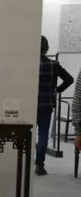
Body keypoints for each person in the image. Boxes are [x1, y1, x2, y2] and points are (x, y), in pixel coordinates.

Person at [37, 36, 74, 175]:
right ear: (46, 49)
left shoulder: (29, 64)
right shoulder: (54, 64)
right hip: (47, 104)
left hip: (30, 104)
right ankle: (39, 165)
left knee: (27, 134)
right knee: (43, 135)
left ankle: (26, 161)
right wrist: (57, 90)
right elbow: (69, 79)